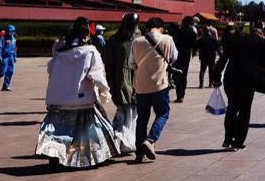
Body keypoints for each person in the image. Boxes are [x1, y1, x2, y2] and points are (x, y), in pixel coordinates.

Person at [36, 21, 118, 168]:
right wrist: (105, 92)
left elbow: (50, 70)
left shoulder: (60, 53)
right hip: (82, 99)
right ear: (86, 36)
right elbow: (97, 75)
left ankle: (55, 155)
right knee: (88, 131)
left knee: (59, 131)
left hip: (60, 100)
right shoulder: (90, 51)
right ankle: (86, 158)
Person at [212, 21, 265, 150]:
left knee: (232, 107)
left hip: (231, 78)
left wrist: (216, 76)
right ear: (261, 31)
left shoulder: (237, 39)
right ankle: (239, 141)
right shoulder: (262, 42)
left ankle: (228, 138)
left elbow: (224, 58)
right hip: (248, 81)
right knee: (244, 111)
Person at [129, 17, 178, 163]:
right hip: (159, 85)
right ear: (161, 27)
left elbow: (131, 64)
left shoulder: (136, 42)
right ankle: (150, 140)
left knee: (142, 118)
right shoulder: (168, 39)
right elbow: (174, 57)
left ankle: (139, 152)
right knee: (163, 113)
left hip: (140, 86)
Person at [103, 12, 141, 154]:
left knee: (124, 111)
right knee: (130, 113)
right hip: (133, 80)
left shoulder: (114, 39)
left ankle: (120, 140)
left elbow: (107, 61)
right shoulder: (139, 39)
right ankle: (125, 141)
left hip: (118, 79)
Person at [169, 17, 197, 103]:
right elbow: (194, 45)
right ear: (190, 23)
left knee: (177, 75)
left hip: (176, 55)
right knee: (184, 75)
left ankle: (179, 95)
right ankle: (182, 94)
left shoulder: (177, 31)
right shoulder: (192, 33)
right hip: (186, 55)